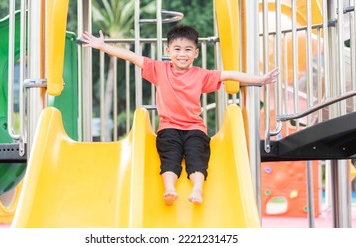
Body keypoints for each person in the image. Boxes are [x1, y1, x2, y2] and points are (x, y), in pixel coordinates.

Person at [82, 24, 278, 206]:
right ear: (168, 51)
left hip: (195, 128)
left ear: (196, 53)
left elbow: (230, 74)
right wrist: (103, 46)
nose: (182, 54)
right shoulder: (159, 69)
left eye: (187, 50)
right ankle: (169, 189)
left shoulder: (201, 75)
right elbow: (131, 56)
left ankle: (197, 189)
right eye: (177, 49)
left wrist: (259, 79)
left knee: (197, 157)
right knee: (169, 157)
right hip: (168, 127)